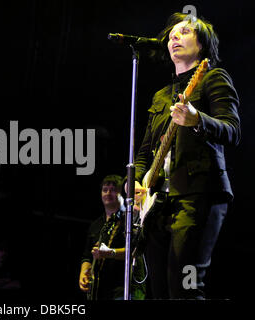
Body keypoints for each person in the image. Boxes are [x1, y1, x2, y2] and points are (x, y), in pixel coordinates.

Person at [132, 13, 240, 299]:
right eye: (171, 35)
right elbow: (144, 151)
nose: (174, 37)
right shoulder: (161, 96)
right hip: (158, 205)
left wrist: (198, 120)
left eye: (184, 32)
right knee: (158, 291)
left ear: (202, 45)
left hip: (198, 196)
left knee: (185, 288)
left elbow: (232, 131)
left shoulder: (213, 78)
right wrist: (136, 184)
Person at [79, 175, 145, 300]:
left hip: (124, 289)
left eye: (113, 190)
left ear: (121, 194)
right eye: (105, 190)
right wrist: (84, 272)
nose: (108, 193)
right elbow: (87, 255)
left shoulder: (131, 219)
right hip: (99, 291)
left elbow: (136, 251)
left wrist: (110, 253)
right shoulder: (96, 225)